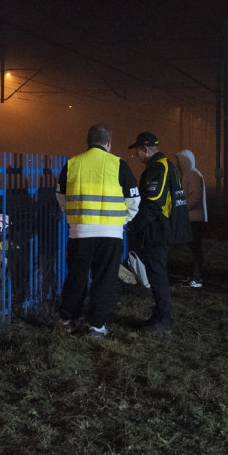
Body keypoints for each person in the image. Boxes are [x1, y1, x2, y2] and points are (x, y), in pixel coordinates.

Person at [55, 123, 140, 337]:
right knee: (104, 279)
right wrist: (121, 221)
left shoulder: (72, 164)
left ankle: (66, 320)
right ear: (109, 143)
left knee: (76, 277)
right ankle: (96, 326)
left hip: (80, 232)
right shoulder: (119, 164)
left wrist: (73, 217)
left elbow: (61, 197)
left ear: (88, 141)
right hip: (111, 235)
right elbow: (134, 200)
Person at [127, 131, 177, 333]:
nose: (137, 155)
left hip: (157, 230)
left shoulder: (159, 167)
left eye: (137, 151)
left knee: (157, 275)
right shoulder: (160, 166)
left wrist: (135, 225)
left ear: (145, 149)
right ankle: (159, 314)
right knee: (156, 274)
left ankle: (164, 320)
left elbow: (153, 204)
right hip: (157, 229)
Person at [174, 149, 207, 287]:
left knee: (195, 249)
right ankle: (194, 276)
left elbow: (196, 196)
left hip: (195, 218)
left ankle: (197, 278)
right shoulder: (190, 173)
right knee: (194, 249)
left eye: (179, 161)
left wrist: (182, 207)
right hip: (194, 218)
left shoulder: (192, 174)